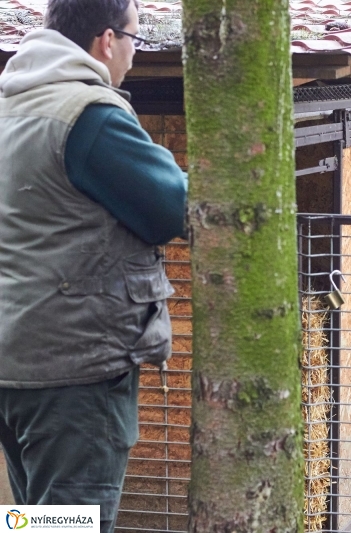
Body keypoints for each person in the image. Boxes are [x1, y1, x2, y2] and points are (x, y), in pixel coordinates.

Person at [0, 0, 186, 530]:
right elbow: (171, 206)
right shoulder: (89, 115)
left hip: (15, 362)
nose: (133, 54)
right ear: (107, 40)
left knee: (38, 521)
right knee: (71, 523)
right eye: (134, 41)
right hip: (74, 370)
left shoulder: (12, 104)